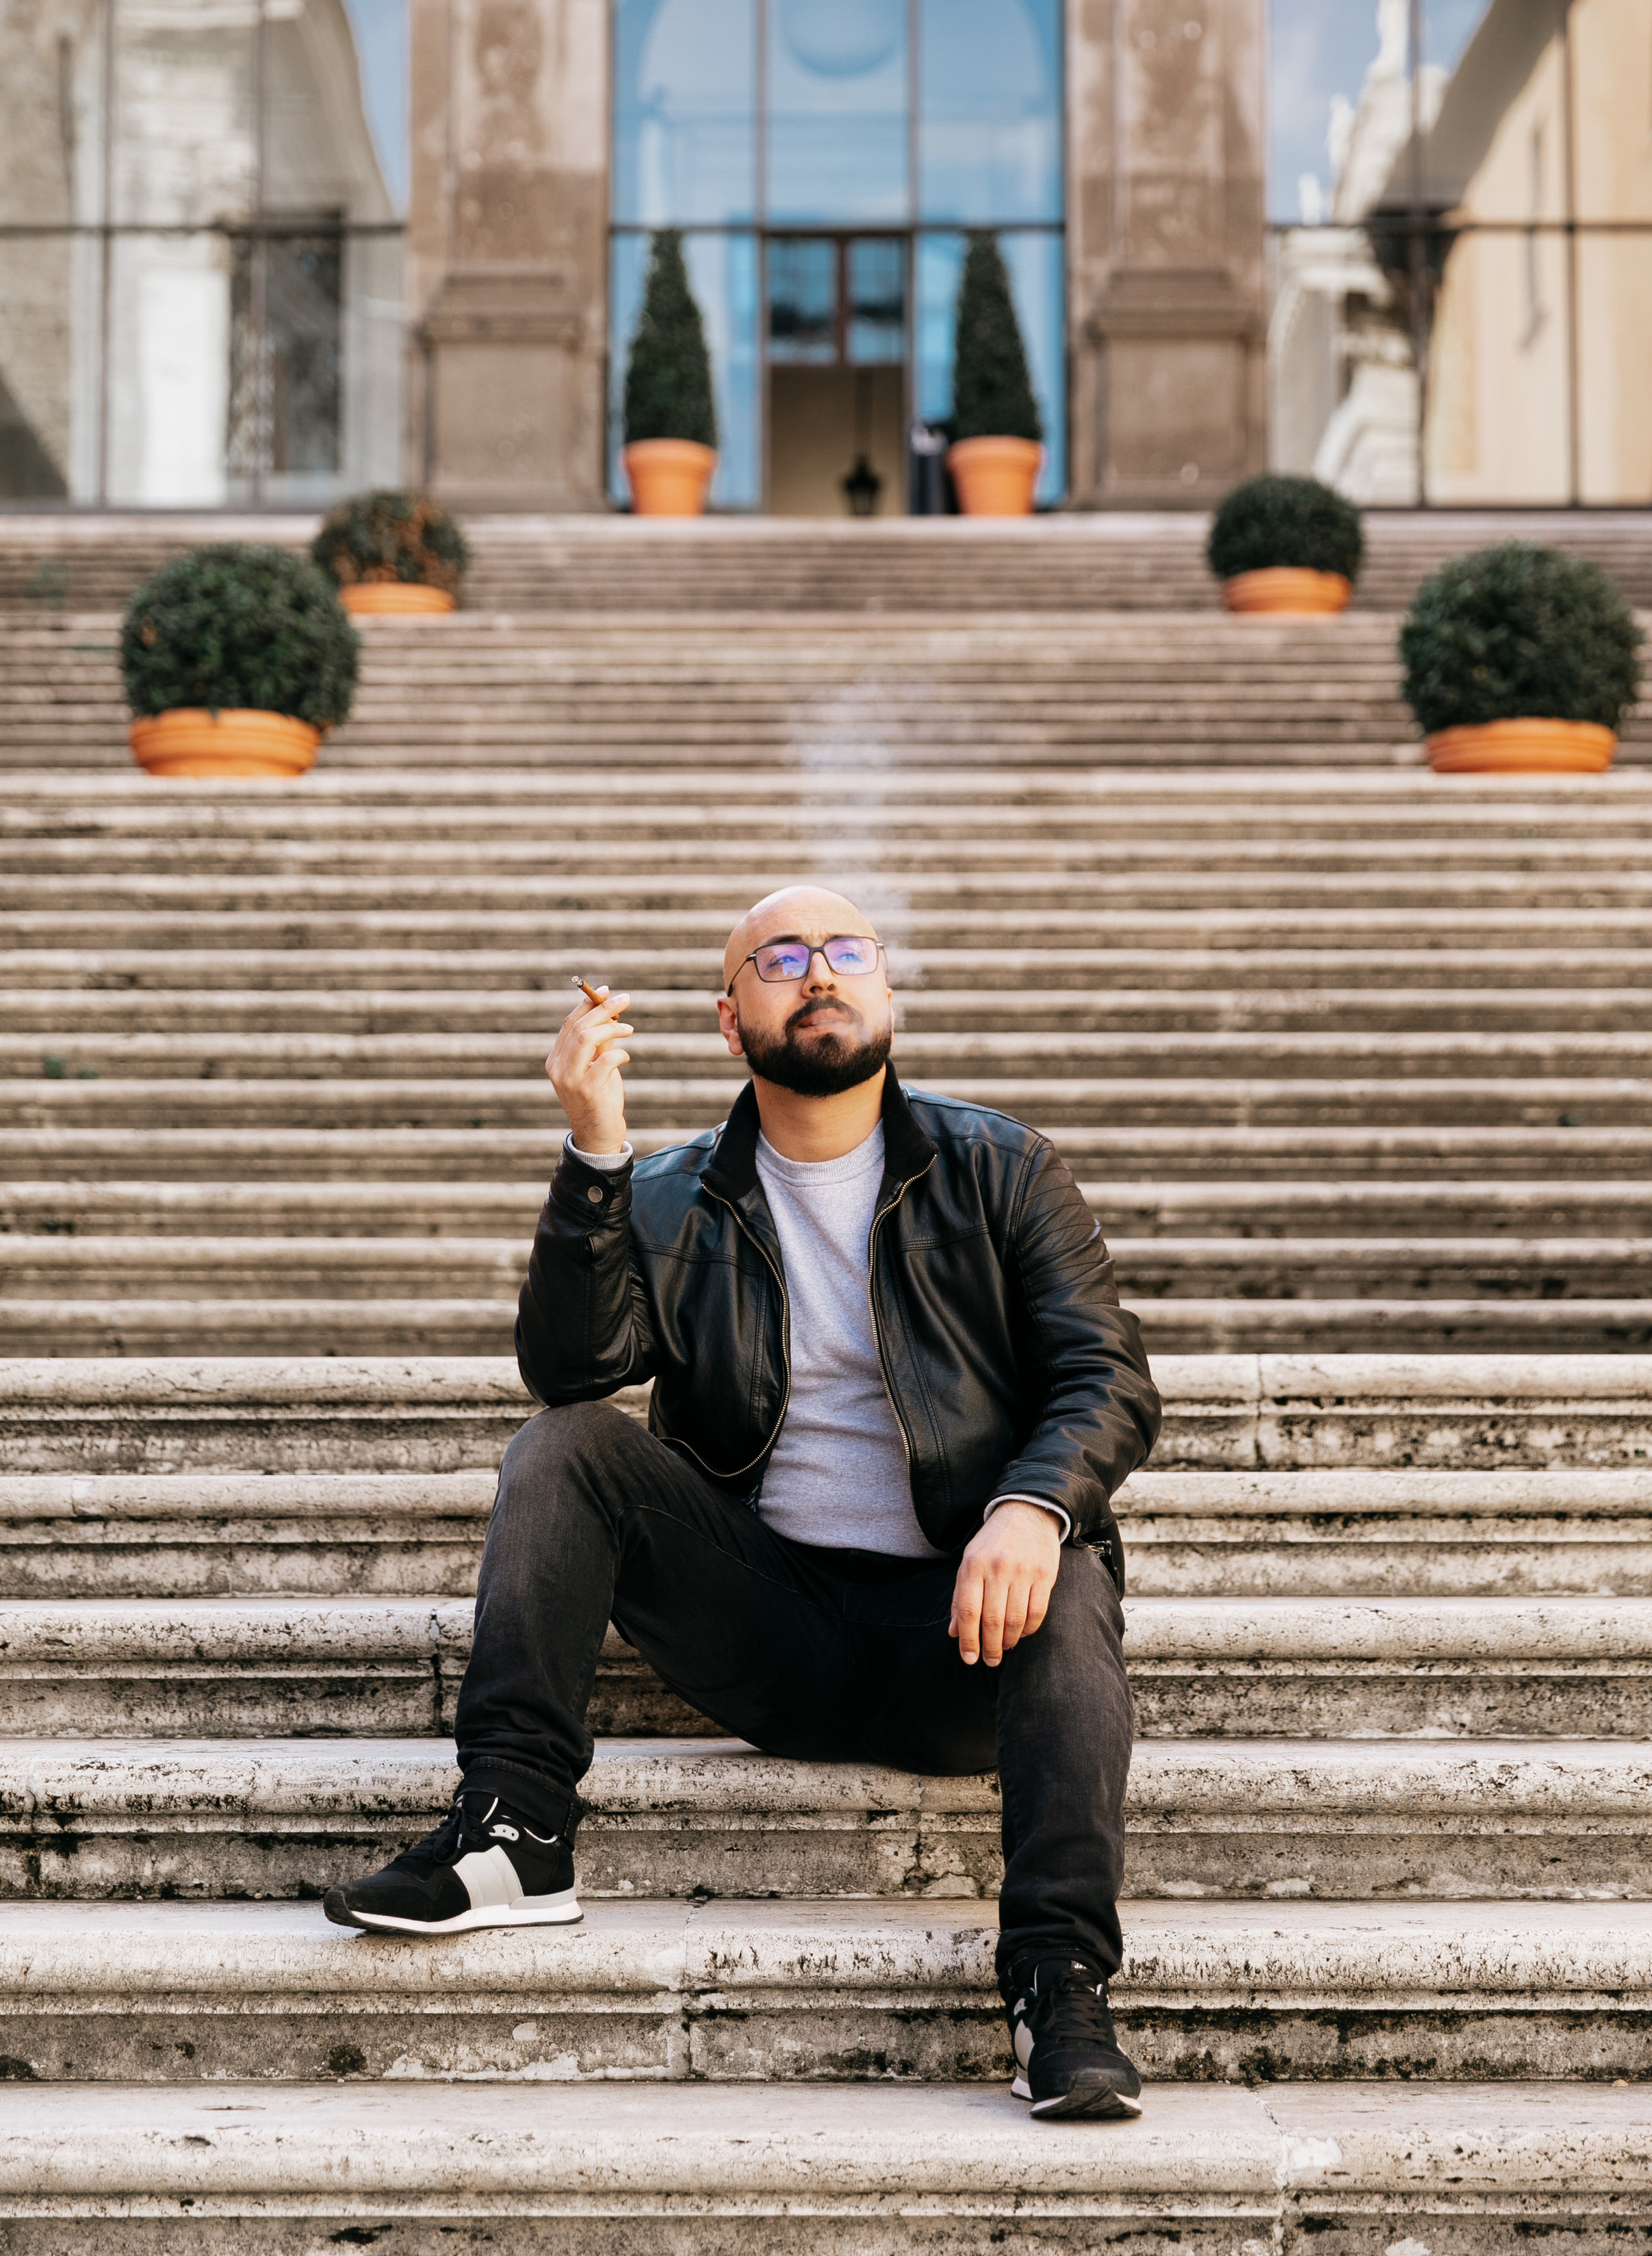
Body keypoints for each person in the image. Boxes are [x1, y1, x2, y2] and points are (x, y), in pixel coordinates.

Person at [324, 885, 1161, 2122]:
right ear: (731, 1020)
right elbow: (570, 1372)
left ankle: (1058, 1979)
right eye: (780, 957)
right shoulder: (668, 1196)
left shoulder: (1002, 1167)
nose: (818, 972)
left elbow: (1107, 1376)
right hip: (765, 1627)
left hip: (967, 1641)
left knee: (1077, 1559)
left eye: (846, 951)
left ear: (889, 995)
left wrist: (1031, 1508)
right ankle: (515, 1836)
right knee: (564, 1447)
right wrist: (594, 1152)